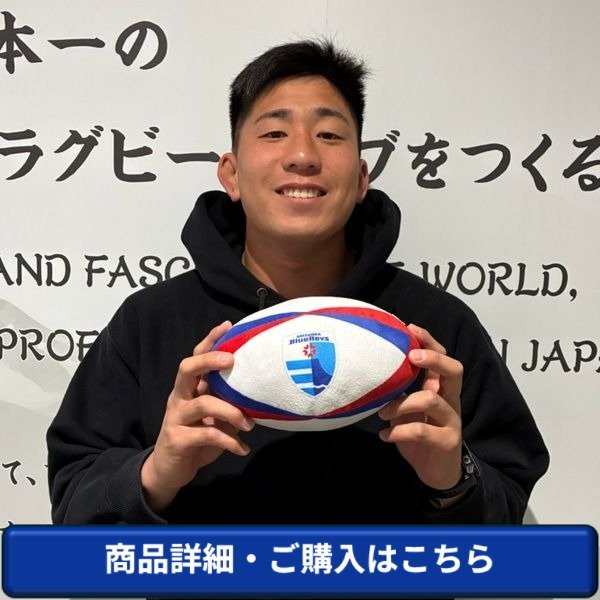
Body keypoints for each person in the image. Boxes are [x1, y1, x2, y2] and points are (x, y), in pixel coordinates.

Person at [47, 39, 549, 525]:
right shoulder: (150, 321)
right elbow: (73, 505)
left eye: (329, 135)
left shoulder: (433, 327)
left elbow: (509, 509)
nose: (303, 155)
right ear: (231, 174)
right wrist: (156, 472)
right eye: (273, 133)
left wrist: (453, 479)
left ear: (361, 178)